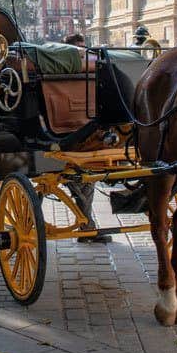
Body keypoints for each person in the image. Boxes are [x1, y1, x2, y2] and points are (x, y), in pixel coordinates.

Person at [61, 32, 110, 243]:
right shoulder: (67, 70)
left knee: (87, 182)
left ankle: (86, 225)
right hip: (68, 132)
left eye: (83, 48)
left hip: (88, 129)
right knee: (79, 182)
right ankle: (86, 225)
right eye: (78, 49)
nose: (83, 53)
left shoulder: (91, 69)